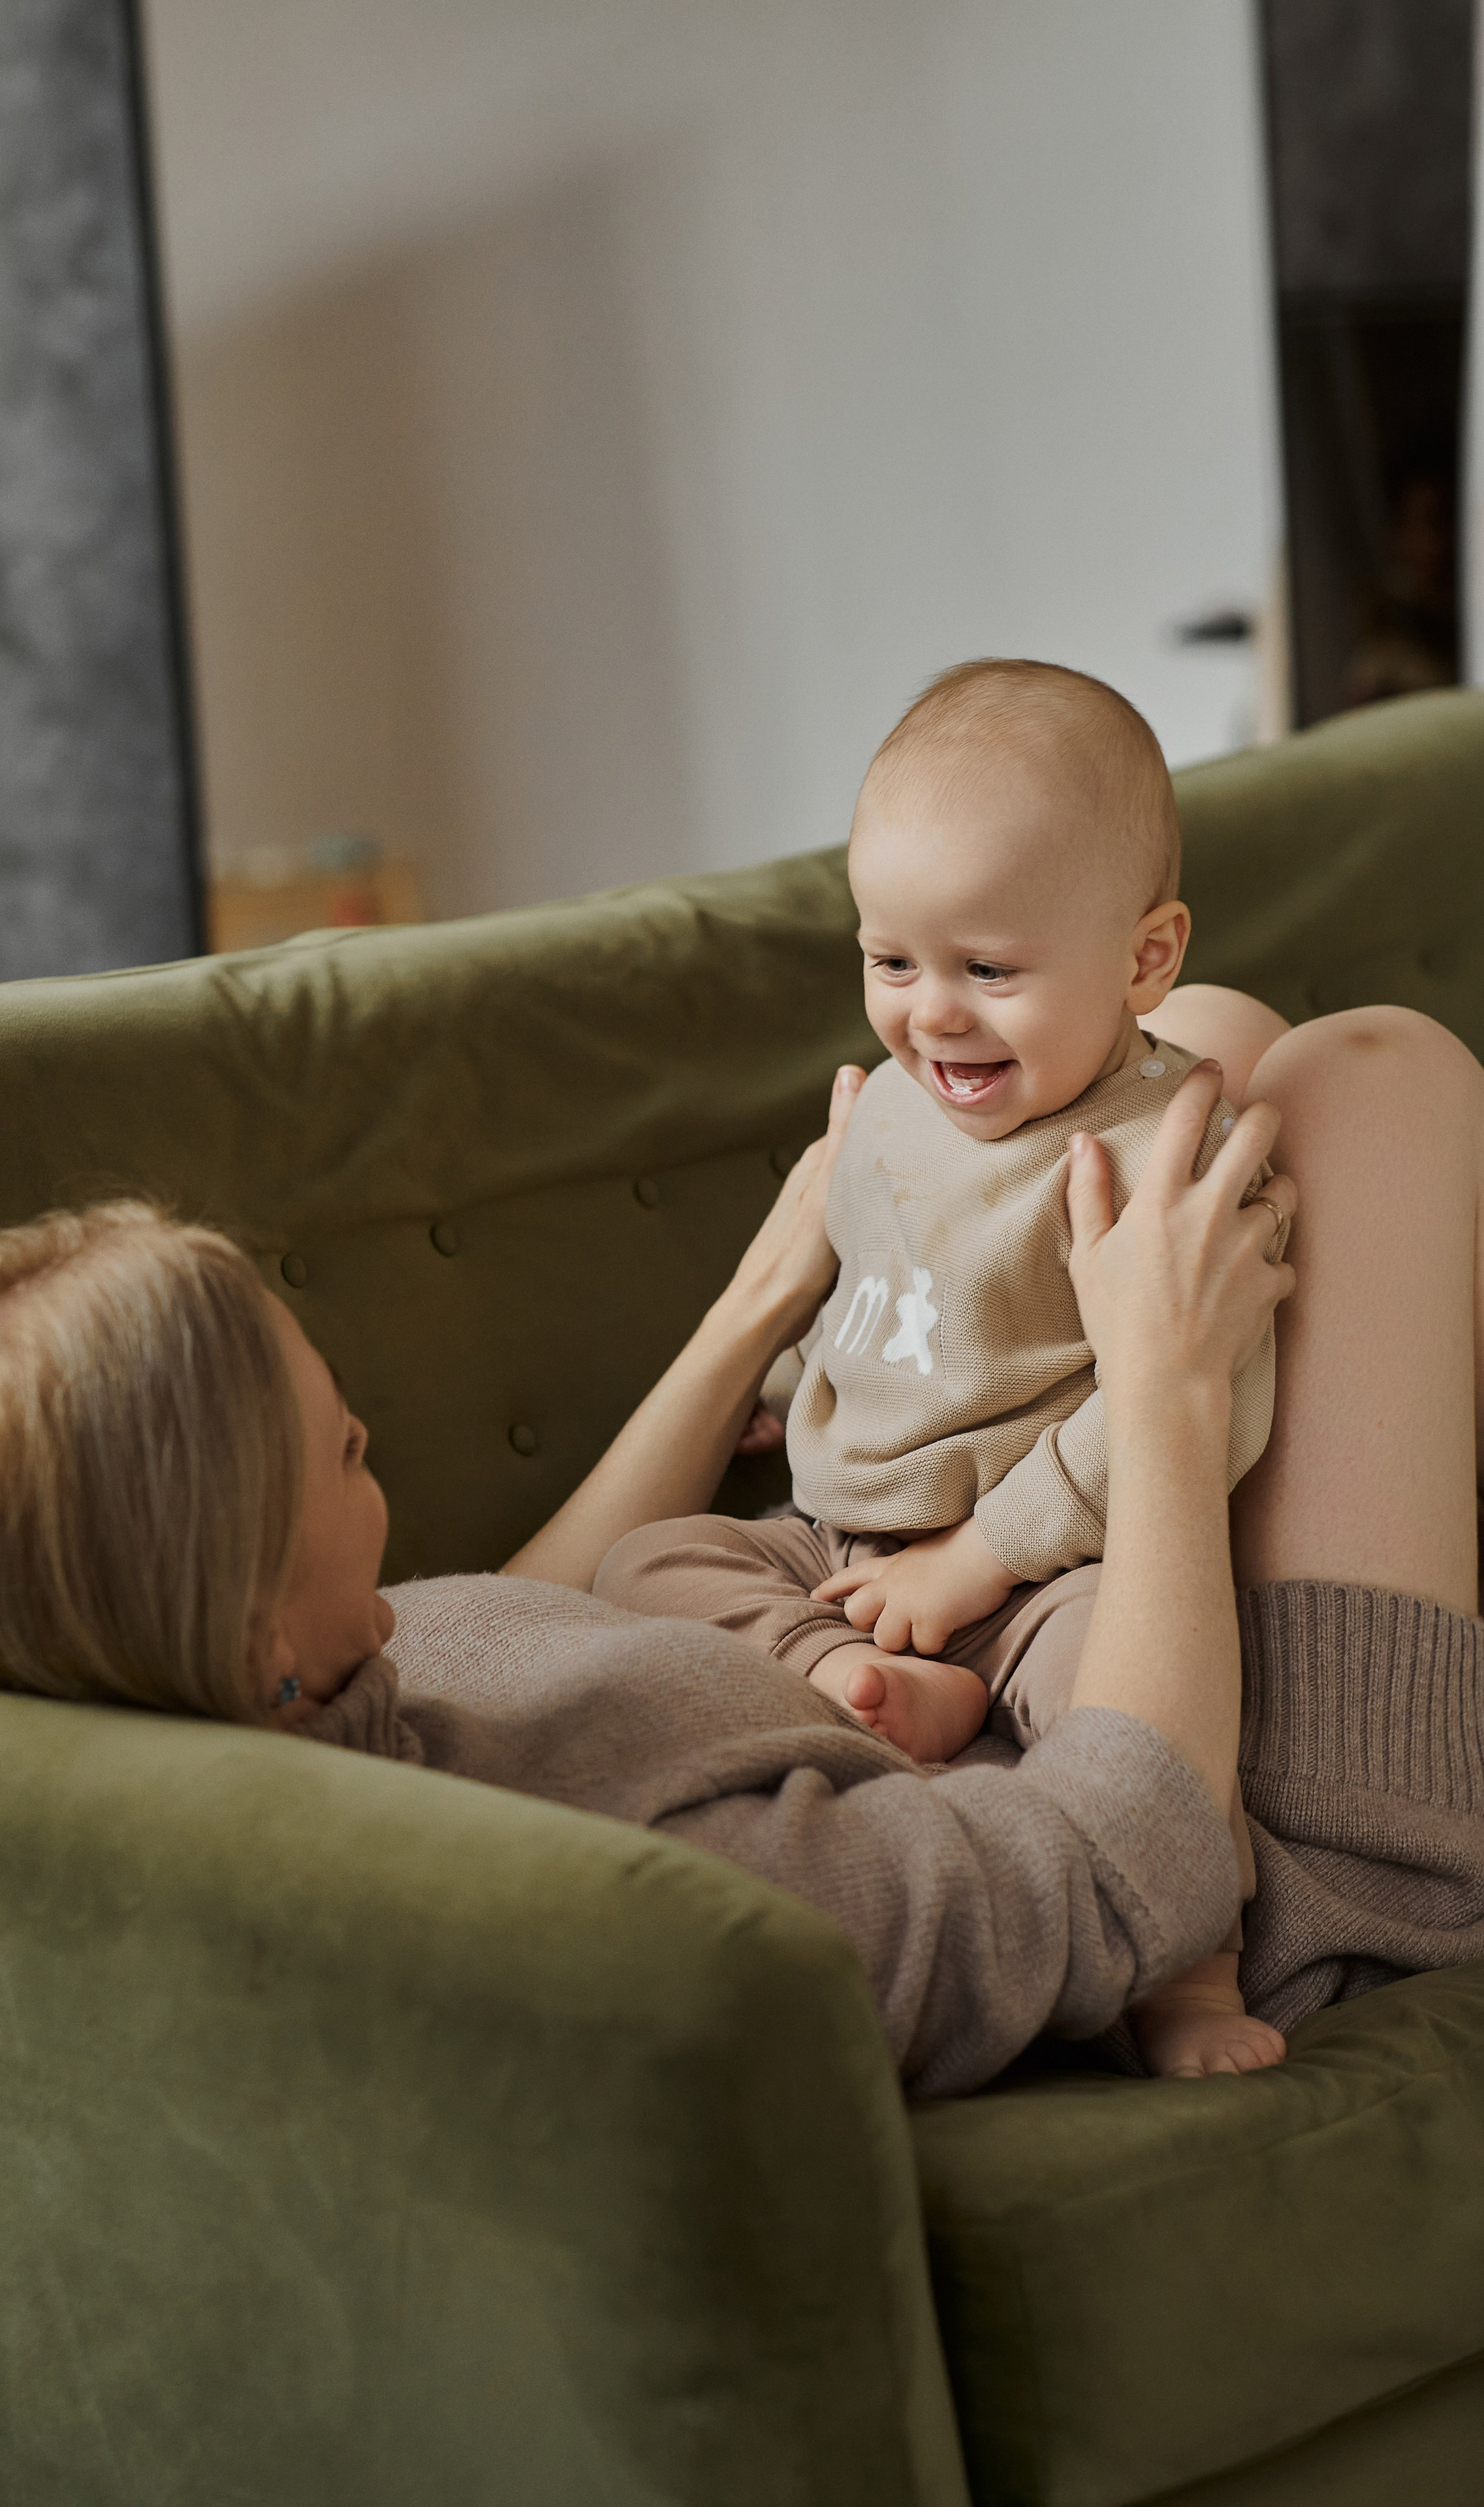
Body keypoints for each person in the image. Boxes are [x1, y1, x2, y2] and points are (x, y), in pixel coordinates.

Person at [0, 1017, 1482, 2090]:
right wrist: (1158, 1401)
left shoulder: (271, 1703)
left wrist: (768, 1284)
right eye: (334, 1446)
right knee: (1373, 1085)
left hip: (944, 1638)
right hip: (1243, 1858)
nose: (365, 1428)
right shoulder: (661, 1912)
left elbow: (504, 1616)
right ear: (247, 1618)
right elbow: (1125, 1862)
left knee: (1176, 1045)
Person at [593, 659, 1286, 2075]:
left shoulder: (1161, 1155)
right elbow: (877, 1298)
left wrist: (976, 1562)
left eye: (988, 969)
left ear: (1146, 959)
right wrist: (787, 1389)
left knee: (1131, 1699)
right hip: (837, 1544)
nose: (933, 1016)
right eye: (889, 963)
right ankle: (863, 1681)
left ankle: (1192, 1979)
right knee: (641, 1568)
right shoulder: (893, 1114)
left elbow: (1187, 1415)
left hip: (1044, 1570)